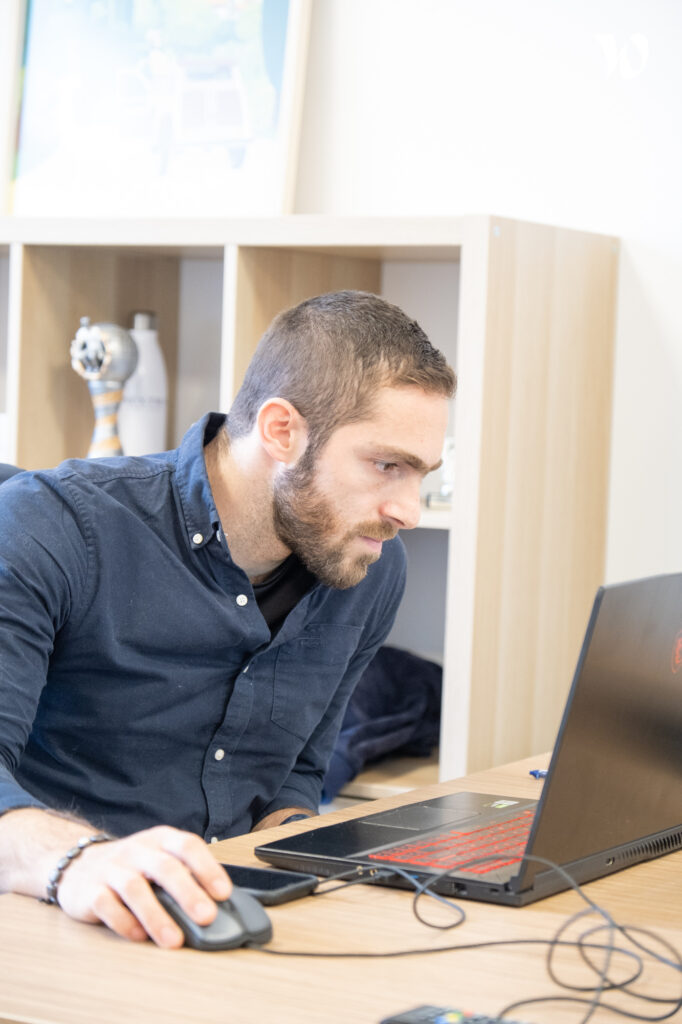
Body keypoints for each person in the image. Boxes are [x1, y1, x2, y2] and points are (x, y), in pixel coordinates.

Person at [0, 290, 455, 947]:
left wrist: (306, 844)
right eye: (387, 466)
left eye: (422, 475)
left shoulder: (372, 570)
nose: (408, 509)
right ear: (281, 431)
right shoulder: (52, 527)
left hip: (220, 927)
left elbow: (294, 776)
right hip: (55, 925)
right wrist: (79, 859)